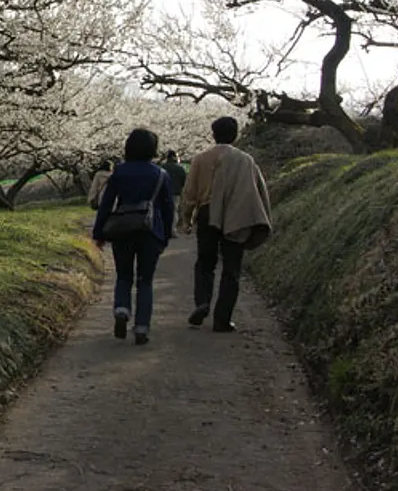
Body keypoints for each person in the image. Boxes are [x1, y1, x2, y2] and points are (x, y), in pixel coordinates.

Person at [179, 116, 272, 333]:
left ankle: (202, 302)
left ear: (213, 134)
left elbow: (189, 193)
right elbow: (256, 190)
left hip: (207, 213)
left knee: (205, 263)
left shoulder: (200, 159)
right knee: (231, 268)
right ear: (235, 135)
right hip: (237, 216)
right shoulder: (246, 160)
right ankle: (222, 319)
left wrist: (186, 219)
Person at [91, 129, 175, 346]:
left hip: (123, 230)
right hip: (151, 232)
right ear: (153, 149)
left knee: (124, 275)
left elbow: (106, 205)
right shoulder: (161, 174)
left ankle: (121, 308)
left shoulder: (119, 172)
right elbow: (168, 208)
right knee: (145, 281)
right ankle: (141, 327)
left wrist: (99, 233)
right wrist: (165, 236)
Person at [160, 150, 188, 231]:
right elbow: (184, 181)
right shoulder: (179, 169)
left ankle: (163, 229)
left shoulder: (162, 167)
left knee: (163, 210)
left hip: (163, 192)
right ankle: (173, 229)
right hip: (176, 192)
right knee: (174, 210)